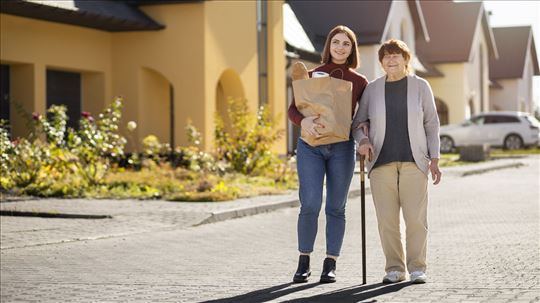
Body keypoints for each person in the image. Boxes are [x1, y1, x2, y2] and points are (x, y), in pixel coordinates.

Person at [352, 39, 442, 284]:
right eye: (386, 56)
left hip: (415, 161)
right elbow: (358, 124)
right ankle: (394, 268)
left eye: (396, 55)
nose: (391, 60)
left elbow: (432, 124)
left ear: (406, 59)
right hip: (381, 162)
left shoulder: (420, 86)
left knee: (415, 219)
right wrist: (362, 141)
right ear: (381, 62)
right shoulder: (372, 89)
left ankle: (417, 268)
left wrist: (434, 158)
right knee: (387, 221)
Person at [288, 25, 368, 283]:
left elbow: (363, 117)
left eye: (346, 43)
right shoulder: (310, 75)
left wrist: (365, 138)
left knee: (336, 207)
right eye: (336, 42)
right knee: (310, 204)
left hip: (342, 148)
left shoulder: (359, 82)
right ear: (329, 46)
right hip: (310, 146)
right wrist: (304, 121)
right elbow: (293, 110)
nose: (341, 47)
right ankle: (304, 261)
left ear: (352, 49)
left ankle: (330, 262)